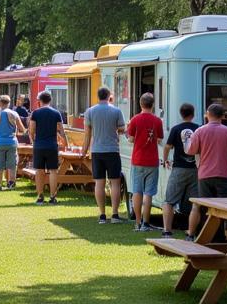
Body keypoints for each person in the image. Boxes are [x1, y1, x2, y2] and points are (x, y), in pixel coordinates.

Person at [186, 103, 227, 238]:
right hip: (223, 175)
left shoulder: (199, 131)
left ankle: (208, 236)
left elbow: (191, 150)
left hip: (204, 175)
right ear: (222, 116)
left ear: (207, 115)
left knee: (207, 208)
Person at [81, 86, 127, 223]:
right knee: (115, 183)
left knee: (99, 183)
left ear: (98, 96)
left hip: (96, 151)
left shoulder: (90, 111)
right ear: (109, 96)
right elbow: (122, 129)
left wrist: (84, 151)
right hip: (112, 150)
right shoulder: (116, 110)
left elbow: (87, 134)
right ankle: (114, 214)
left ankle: (102, 214)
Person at [127, 93, 164, 232]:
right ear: (153, 104)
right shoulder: (157, 121)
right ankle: (146, 223)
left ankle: (137, 222)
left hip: (137, 160)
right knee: (148, 193)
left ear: (140, 104)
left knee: (137, 191)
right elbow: (159, 140)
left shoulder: (135, 119)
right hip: (152, 161)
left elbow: (130, 139)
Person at [161, 103, 199, 238]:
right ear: (193, 114)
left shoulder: (176, 129)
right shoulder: (199, 129)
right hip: (196, 170)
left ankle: (167, 231)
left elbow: (167, 146)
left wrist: (165, 160)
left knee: (169, 201)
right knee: (195, 202)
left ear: (181, 114)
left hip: (179, 169)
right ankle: (191, 233)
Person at [29, 90, 66, 204]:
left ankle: (40, 196)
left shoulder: (35, 113)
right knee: (53, 171)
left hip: (39, 145)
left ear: (40, 101)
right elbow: (61, 130)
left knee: (39, 171)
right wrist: (65, 143)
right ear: (50, 100)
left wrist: (33, 140)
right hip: (52, 146)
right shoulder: (56, 113)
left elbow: (31, 130)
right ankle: (52, 197)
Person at [0, 94, 25, 190]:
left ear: (0, 103)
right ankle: (11, 183)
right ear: (9, 103)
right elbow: (22, 129)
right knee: (12, 164)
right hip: (12, 142)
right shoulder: (14, 114)